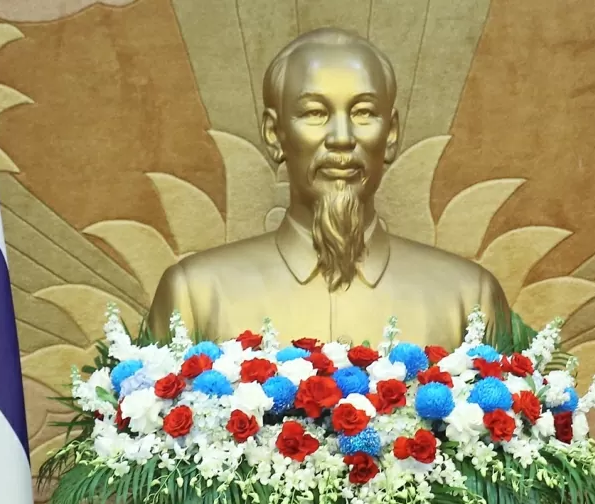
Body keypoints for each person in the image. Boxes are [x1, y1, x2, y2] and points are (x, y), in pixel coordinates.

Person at [147, 28, 508, 347]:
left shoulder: (468, 299)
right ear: (274, 134)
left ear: (392, 133)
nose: (341, 138)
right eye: (315, 113)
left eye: (363, 112)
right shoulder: (195, 296)